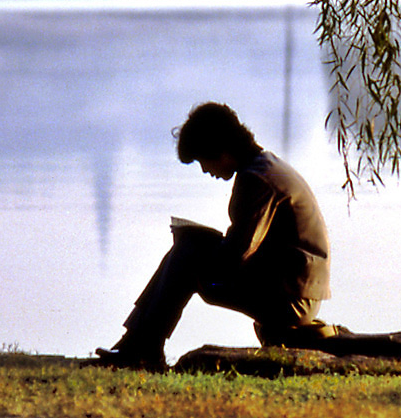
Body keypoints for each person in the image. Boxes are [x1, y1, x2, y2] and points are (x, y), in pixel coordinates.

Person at [91, 102, 334, 370]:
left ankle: (142, 346)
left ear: (221, 150)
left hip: (290, 304)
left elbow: (235, 257)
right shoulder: (266, 166)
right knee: (186, 251)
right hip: (291, 293)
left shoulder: (257, 180)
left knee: (185, 256)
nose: (205, 170)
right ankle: (138, 342)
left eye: (202, 161)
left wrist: (193, 254)